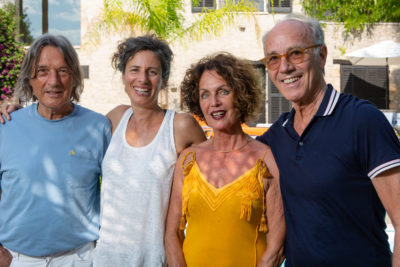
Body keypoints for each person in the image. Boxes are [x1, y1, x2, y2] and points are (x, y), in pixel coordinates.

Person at [257, 14, 400, 266]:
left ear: (321, 56)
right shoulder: (276, 136)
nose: (285, 67)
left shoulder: (362, 120)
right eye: (273, 59)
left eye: (295, 53)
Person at [93, 35, 206, 266]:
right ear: (124, 76)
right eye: (134, 70)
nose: (142, 79)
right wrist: (13, 109)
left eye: (152, 72)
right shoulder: (116, 118)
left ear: (163, 79)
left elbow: (213, 177)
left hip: (155, 259)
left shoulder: (180, 126)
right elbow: (70, 130)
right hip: (106, 258)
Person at [0, 34, 111, 266]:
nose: (54, 81)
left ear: (74, 77)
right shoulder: (6, 126)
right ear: (29, 79)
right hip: (17, 259)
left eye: (62, 71)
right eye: (42, 71)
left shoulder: (98, 127)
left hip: (79, 258)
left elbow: (117, 194)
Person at [164, 52, 285, 267]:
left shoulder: (266, 160)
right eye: (205, 95)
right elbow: (172, 234)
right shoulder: (188, 160)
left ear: (241, 94)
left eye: (223, 92)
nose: (214, 103)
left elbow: (277, 246)